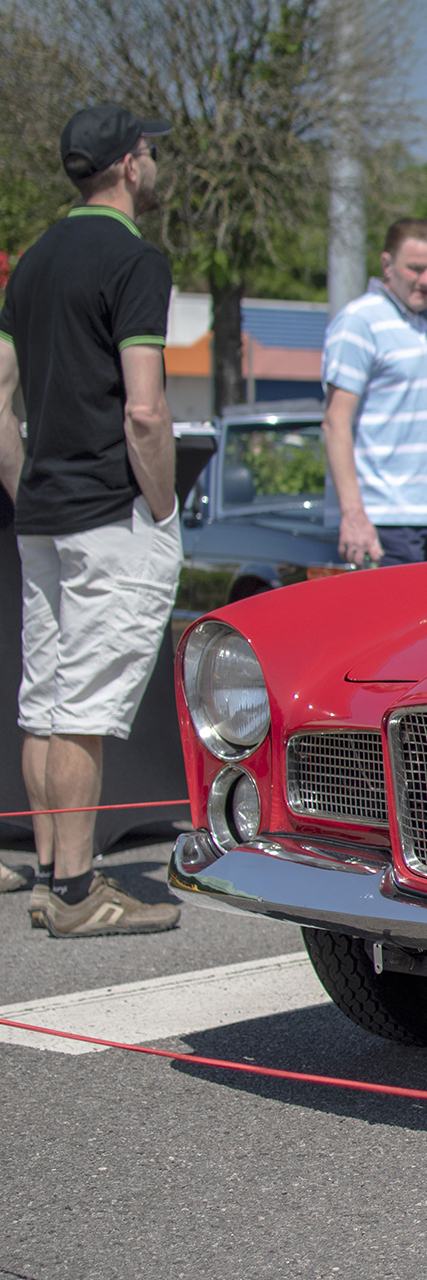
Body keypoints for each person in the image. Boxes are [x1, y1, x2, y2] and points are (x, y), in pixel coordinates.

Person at [0, 105, 183, 936]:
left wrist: (24, 486)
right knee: (82, 707)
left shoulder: (31, 263)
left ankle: (49, 875)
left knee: (44, 701)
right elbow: (144, 409)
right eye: (147, 151)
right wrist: (164, 501)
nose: (151, 163)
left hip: (40, 510)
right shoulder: (133, 258)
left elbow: (1, 397)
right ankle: (77, 892)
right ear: (129, 164)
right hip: (110, 513)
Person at [321, 218, 427, 566]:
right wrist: (354, 515)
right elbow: (335, 422)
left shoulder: (424, 326)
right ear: (387, 265)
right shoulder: (359, 321)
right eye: (416, 268)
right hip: (381, 522)